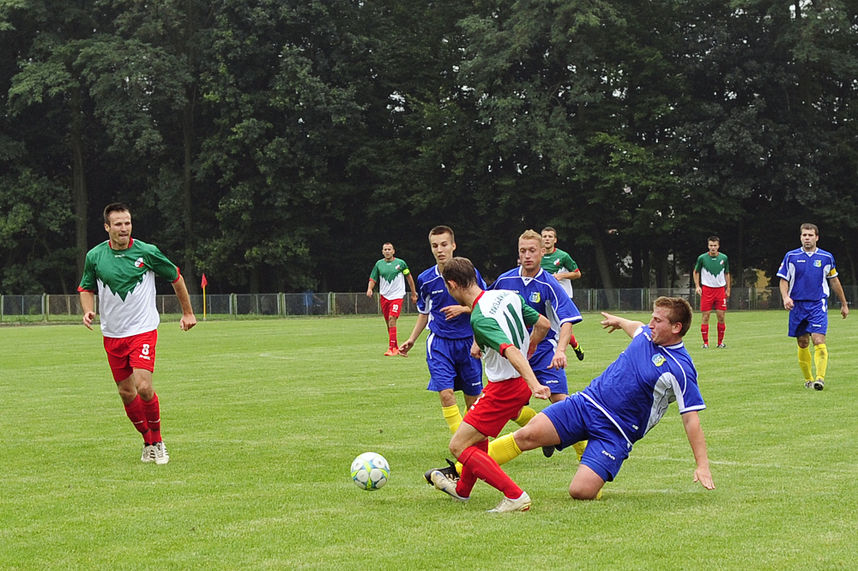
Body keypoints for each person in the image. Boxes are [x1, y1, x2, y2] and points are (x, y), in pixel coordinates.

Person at [488, 297, 715, 502]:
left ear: (676, 327)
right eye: (652, 318)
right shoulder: (646, 334)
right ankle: (461, 469)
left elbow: (691, 420)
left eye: (658, 320)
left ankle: (593, 462)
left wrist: (702, 465)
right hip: (585, 404)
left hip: (617, 432)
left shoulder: (681, 369)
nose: (651, 324)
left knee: (581, 492)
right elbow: (635, 327)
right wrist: (619, 321)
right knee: (526, 435)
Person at [426, 257, 552, 513]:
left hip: (504, 387)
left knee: (458, 446)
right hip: (514, 386)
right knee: (477, 436)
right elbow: (543, 324)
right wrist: (530, 347)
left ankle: (515, 496)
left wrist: (534, 382)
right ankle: (462, 490)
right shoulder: (506, 295)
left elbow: (511, 350)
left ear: (452, 285)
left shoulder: (480, 318)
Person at [78, 202, 197, 465]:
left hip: (142, 330)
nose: (124, 228)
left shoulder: (148, 252)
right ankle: (147, 441)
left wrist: (188, 312)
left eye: (127, 223)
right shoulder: (95, 256)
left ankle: (159, 440)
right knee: (126, 392)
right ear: (107, 227)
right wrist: (88, 311)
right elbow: (86, 287)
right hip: (112, 334)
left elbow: (176, 277)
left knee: (143, 387)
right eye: (118, 224)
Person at [399, 226, 488, 435]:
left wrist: (463, 308)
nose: (440, 250)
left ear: (453, 246)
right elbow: (424, 312)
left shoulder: (470, 273)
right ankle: (461, 442)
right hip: (440, 343)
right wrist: (412, 339)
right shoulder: (425, 279)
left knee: (473, 397)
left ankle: (471, 439)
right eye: (435, 246)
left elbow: (483, 304)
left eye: (444, 245)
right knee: (446, 393)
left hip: (468, 342)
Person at [777, 223, 849, 390]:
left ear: (817, 237)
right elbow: (783, 280)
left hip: (818, 304)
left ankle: (820, 379)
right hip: (797, 306)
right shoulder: (791, 256)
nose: (807, 238)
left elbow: (834, 281)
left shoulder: (826, 257)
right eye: (804, 235)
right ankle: (809, 379)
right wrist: (785, 297)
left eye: (810, 235)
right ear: (800, 237)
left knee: (818, 340)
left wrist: (844, 304)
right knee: (803, 342)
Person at [540, 226, 585, 360]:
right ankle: (574, 346)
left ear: (555, 240)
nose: (547, 239)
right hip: (543, 297)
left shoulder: (563, 256)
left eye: (550, 236)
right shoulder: (537, 256)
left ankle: (559, 353)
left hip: (561, 298)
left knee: (560, 326)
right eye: (544, 236)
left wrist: (562, 276)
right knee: (547, 326)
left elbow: (577, 274)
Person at [366, 242, 418, 356]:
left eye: (389, 249)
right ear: (382, 251)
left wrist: (413, 293)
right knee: (388, 322)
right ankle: (395, 346)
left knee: (391, 318)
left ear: (393, 251)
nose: (387, 251)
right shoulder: (379, 264)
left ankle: (392, 349)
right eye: (385, 249)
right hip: (384, 296)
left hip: (397, 296)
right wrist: (370, 289)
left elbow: (409, 277)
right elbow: (373, 278)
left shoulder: (401, 264)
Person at [693, 236, 731, 348]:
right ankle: (705, 343)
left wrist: (728, 288)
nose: (713, 248)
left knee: (721, 316)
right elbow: (696, 272)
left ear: (718, 246)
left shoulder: (724, 258)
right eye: (711, 245)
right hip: (707, 290)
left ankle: (720, 343)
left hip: (720, 290)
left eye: (715, 245)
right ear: (708, 246)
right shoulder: (702, 258)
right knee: (706, 316)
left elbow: (727, 273)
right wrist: (697, 286)